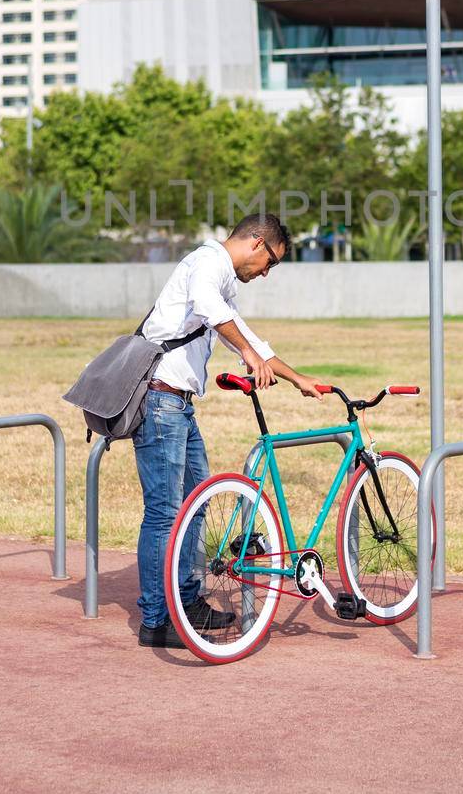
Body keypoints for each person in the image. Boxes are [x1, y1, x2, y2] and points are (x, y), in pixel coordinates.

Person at [133, 212, 322, 648]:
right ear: (257, 243)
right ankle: (158, 620)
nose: (267, 273)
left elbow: (247, 337)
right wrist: (246, 354)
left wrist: (298, 379)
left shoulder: (221, 279)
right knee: (165, 513)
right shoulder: (207, 263)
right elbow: (211, 312)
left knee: (195, 506)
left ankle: (185, 599)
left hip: (178, 405)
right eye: (272, 262)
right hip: (160, 400)